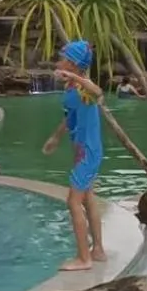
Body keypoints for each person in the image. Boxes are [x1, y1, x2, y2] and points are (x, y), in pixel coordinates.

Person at [41, 40, 107, 271]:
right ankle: (97, 250)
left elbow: (98, 92)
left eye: (63, 58)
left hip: (88, 152)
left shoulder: (83, 88)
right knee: (88, 197)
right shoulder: (72, 89)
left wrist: (75, 77)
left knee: (73, 201)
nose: (58, 61)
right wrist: (56, 138)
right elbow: (70, 118)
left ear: (73, 64)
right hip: (83, 150)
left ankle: (83, 259)